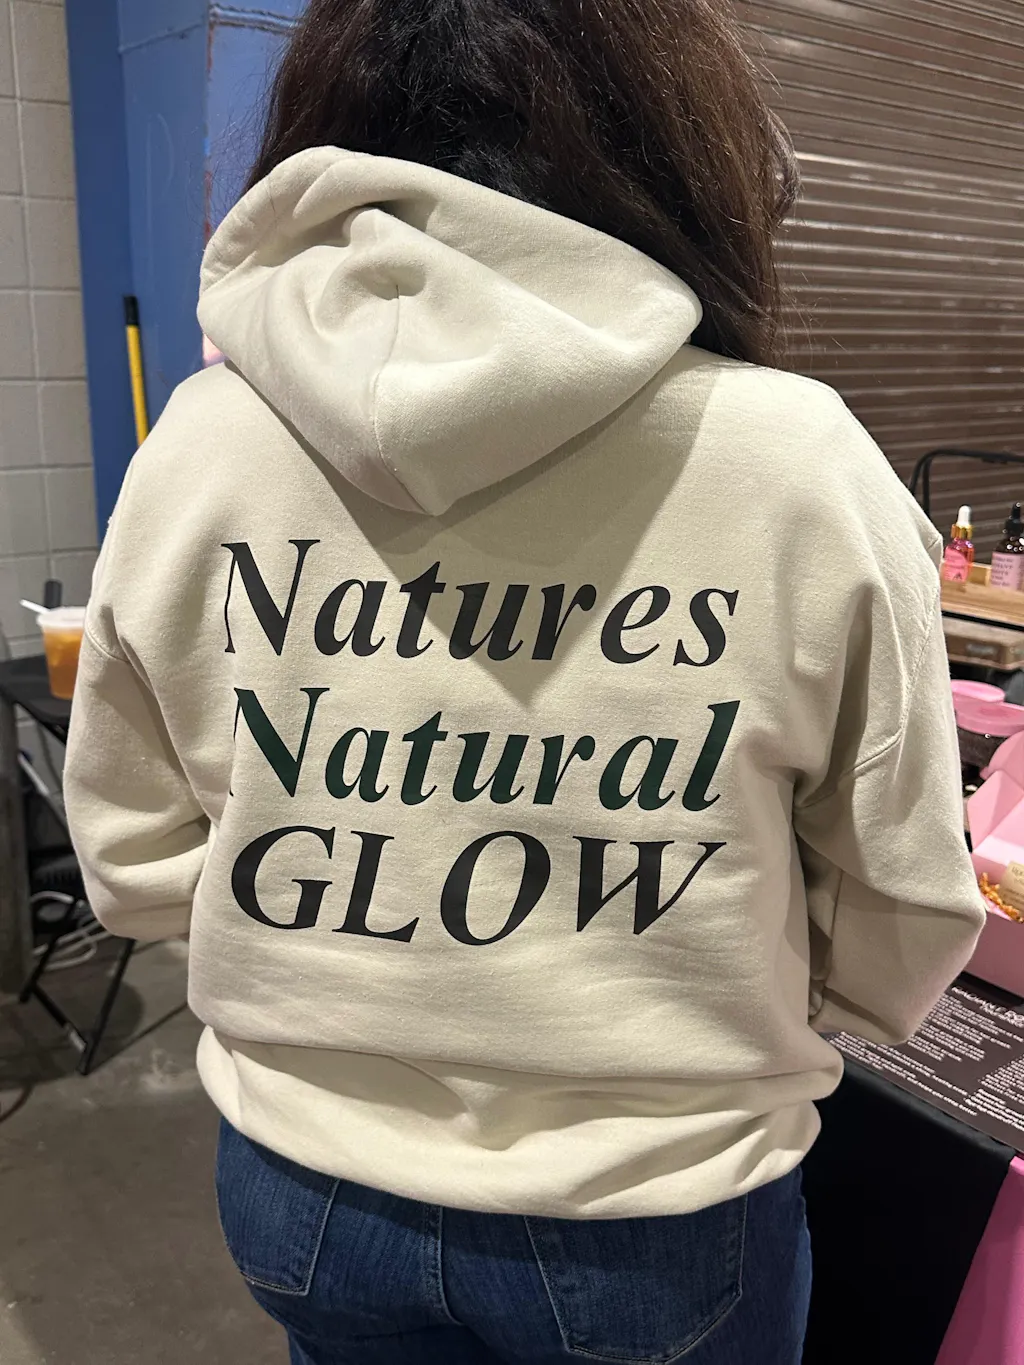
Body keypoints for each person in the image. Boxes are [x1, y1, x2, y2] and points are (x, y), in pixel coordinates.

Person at [64, 1, 985, 1361]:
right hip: (655, 1201)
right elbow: (903, 899)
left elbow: (135, 863)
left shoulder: (198, 447)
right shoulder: (796, 464)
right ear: (677, 141)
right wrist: (714, 998)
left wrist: (343, 966)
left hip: (305, 1186)